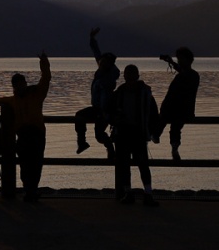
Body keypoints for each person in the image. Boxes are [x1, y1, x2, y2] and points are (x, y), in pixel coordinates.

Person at [0, 52, 51, 202]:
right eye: (16, 85)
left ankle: (32, 190)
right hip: (23, 135)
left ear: (25, 83)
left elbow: (46, 78)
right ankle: (29, 190)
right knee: (24, 164)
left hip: (37, 133)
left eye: (21, 83)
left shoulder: (37, 94)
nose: (19, 87)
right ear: (14, 86)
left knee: (36, 163)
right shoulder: (12, 100)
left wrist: (44, 62)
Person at [111, 64, 160, 207]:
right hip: (123, 133)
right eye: (128, 75)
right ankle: (128, 193)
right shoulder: (119, 92)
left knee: (143, 165)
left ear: (137, 76)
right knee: (124, 165)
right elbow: (111, 110)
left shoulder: (145, 93)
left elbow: (153, 114)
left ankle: (148, 194)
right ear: (125, 76)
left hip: (138, 133)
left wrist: (150, 132)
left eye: (132, 75)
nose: (130, 77)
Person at [74, 27, 119, 158]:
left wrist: (105, 112)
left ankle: (111, 149)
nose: (101, 63)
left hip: (105, 110)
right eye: (101, 62)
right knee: (79, 116)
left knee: (99, 135)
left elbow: (106, 93)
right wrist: (92, 39)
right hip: (96, 108)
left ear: (110, 65)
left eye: (105, 62)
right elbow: (97, 54)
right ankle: (82, 142)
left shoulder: (110, 76)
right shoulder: (101, 71)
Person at [154, 46, 200, 160]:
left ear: (189, 60)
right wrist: (171, 62)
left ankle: (156, 136)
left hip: (175, 110)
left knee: (166, 123)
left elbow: (182, 73)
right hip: (185, 111)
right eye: (179, 59)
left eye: (181, 59)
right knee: (175, 129)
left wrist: (172, 63)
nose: (179, 61)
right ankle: (173, 147)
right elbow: (182, 69)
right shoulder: (193, 75)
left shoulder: (186, 76)